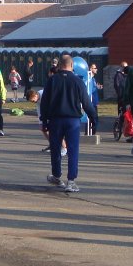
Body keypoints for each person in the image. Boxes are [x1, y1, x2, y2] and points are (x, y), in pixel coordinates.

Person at [40, 54, 98, 193]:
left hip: (55, 119)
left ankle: (56, 175)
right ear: (72, 65)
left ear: (59, 65)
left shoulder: (52, 80)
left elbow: (45, 103)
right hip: (72, 120)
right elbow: (86, 103)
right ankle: (71, 180)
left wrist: (44, 120)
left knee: (56, 149)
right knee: (73, 150)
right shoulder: (78, 81)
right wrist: (94, 119)